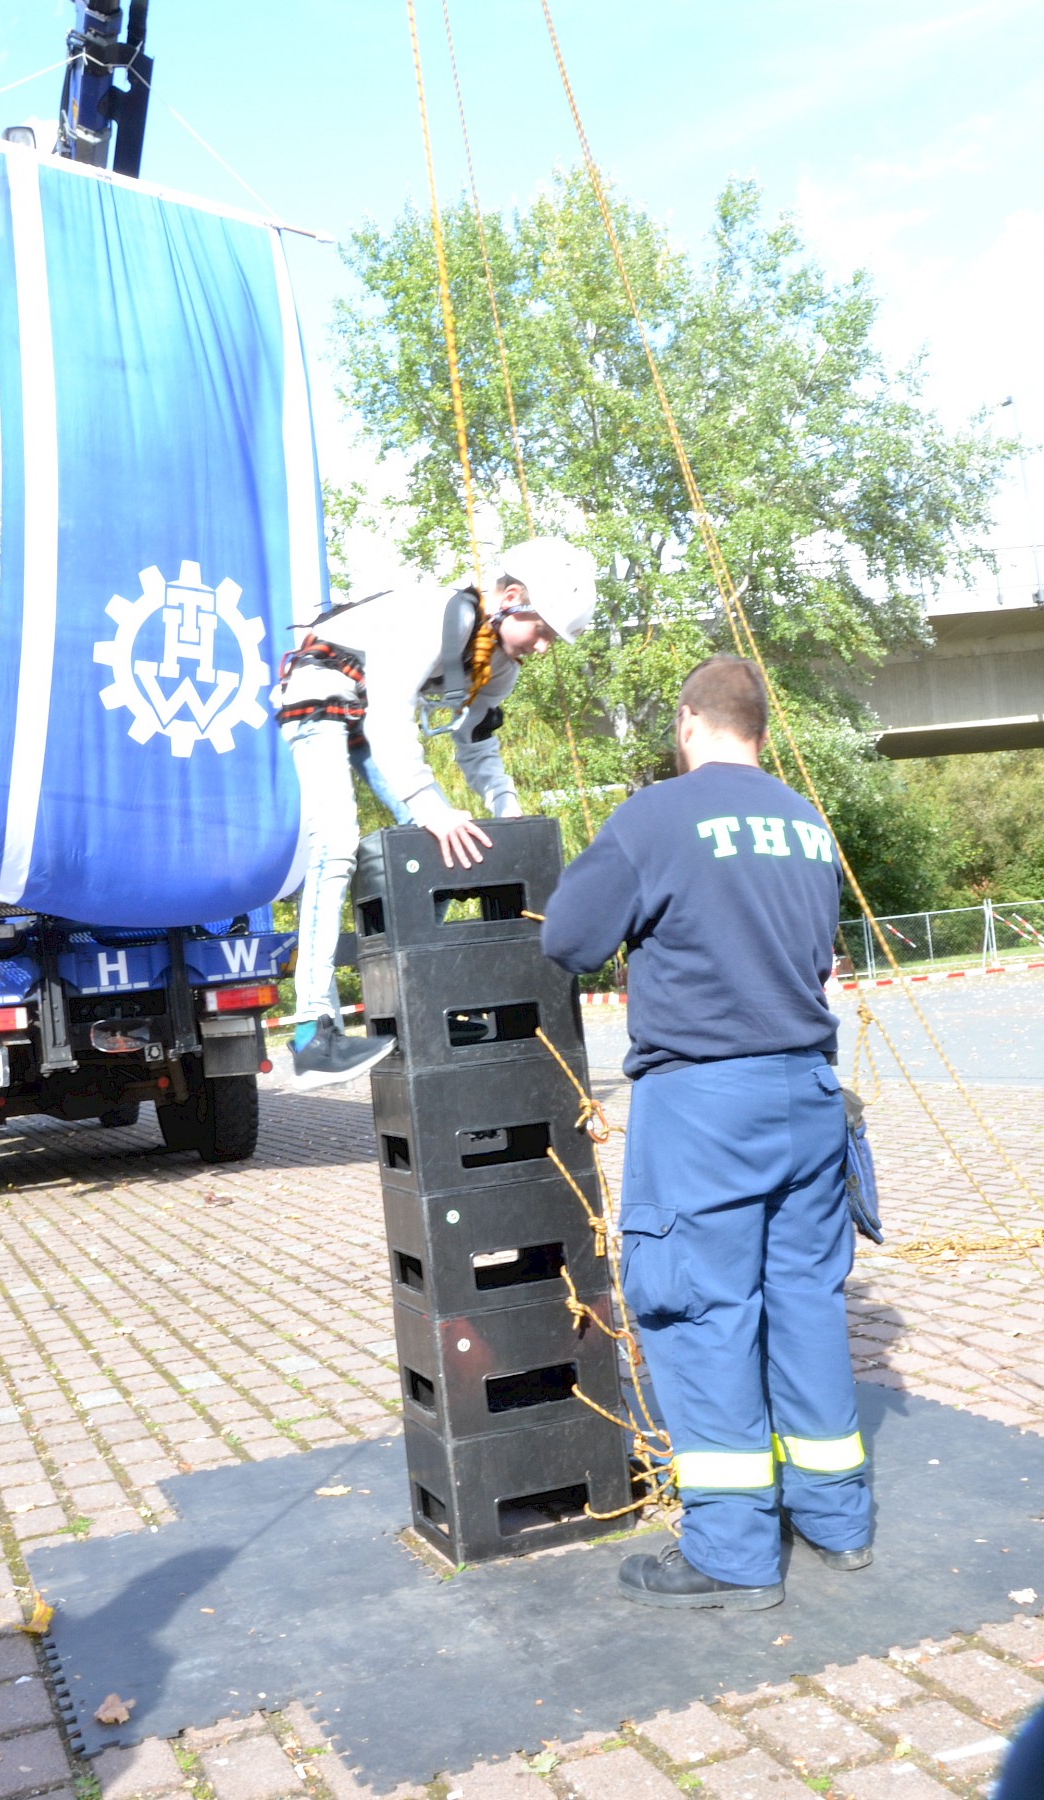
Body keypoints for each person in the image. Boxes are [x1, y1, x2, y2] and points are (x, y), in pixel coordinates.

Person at [541, 653, 871, 1611]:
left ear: (688, 724)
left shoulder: (655, 815)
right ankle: (836, 1520)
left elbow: (568, 938)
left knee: (700, 1310)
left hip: (705, 1109)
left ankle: (732, 1551)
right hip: (808, 1097)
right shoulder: (807, 824)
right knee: (805, 1301)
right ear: (758, 729)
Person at [278, 537, 596, 1090]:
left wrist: (507, 812)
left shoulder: (500, 665)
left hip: (365, 706)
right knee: (335, 844)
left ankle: (434, 1000)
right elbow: (388, 721)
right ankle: (311, 1035)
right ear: (512, 598)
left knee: (445, 846)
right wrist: (430, 805)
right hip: (320, 690)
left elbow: (476, 746)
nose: (543, 646)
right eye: (542, 630)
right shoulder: (432, 616)